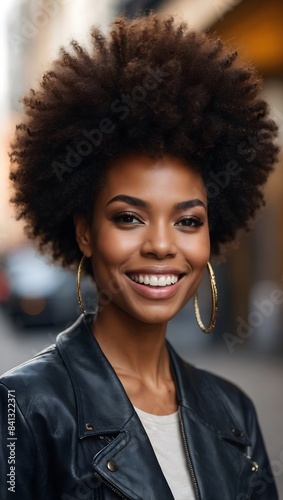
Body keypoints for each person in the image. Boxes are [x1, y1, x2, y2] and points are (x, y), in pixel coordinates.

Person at [0, 13, 279, 500]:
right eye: (129, 217)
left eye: (188, 220)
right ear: (85, 232)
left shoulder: (234, 412)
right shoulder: (21, 409)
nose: (161, 244)